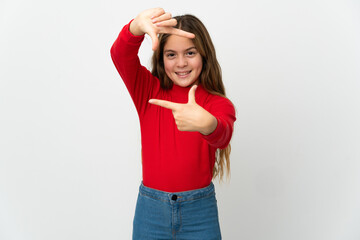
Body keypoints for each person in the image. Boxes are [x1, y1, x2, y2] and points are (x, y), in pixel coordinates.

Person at [110, 7, 236, 240]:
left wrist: (207, 123)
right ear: (161, 58)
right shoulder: (148, 90)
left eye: (190, 53)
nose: (181, 63)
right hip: (151, 211)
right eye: (171, 55)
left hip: (200, 212)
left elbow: (223, 134)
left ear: (204, 55)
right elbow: (120, 55)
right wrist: (135, 28)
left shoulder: (216, 102)